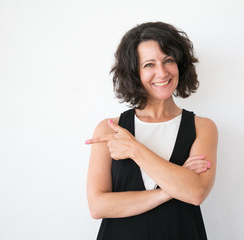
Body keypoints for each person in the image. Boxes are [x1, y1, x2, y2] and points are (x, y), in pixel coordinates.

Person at [85, 21, 218, 240]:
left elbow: (195, 193)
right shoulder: (109, 128)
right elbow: (98, 206)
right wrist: (171, 190)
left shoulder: (203, 127)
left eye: (168, 60)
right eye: (149, 65)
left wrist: (135, 149)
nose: (162, 72)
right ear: (134, 72)